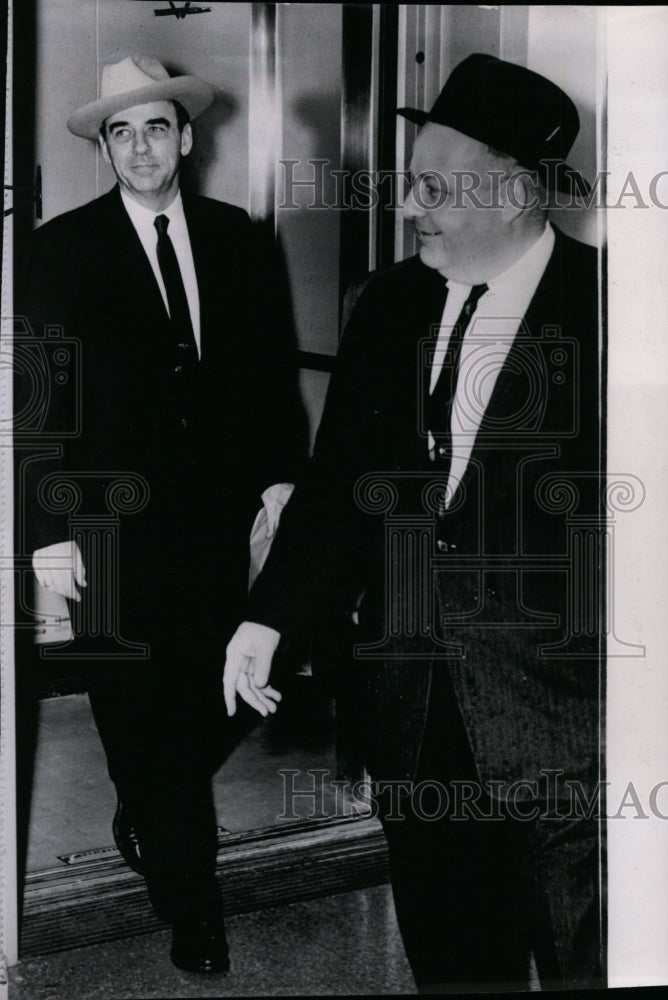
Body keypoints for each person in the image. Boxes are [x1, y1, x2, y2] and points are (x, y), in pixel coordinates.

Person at [223, 54, 604, 992]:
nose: (410, 207)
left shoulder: (616, 314)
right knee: (452, 959)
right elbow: (342, 484)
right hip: (409, 707)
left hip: (566, 723)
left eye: (433, 188)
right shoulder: (387, 304)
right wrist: (269, 617)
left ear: (516, 193)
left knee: (585, 958)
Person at [16, 55, 306, 973]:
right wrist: (48, 536)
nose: (139, 147)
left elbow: (266, 378)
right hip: (101, 529)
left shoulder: (237, 237)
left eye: (155, 128)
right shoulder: (58, 249)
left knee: (227, 692)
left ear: (186, 137)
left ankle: (146, 805)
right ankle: (195, 906)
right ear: (106, 148)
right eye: (120, 132)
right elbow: (37, 403)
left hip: (213, 524)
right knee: (132, 713)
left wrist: (279, 484)